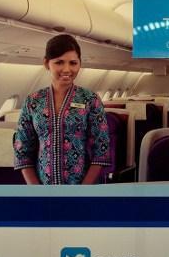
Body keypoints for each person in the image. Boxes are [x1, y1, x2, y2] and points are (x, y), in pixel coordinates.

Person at [14, 34, 111, 184]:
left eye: (73, 63)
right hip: (43, 187)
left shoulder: (91, 100)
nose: (67, 69)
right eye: (59, 62)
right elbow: (22, 149)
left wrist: (82, 192)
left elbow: (101, 149)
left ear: (80, 64)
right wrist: (37, 192)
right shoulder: (32, 101)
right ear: (46, 64)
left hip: (83, 185)